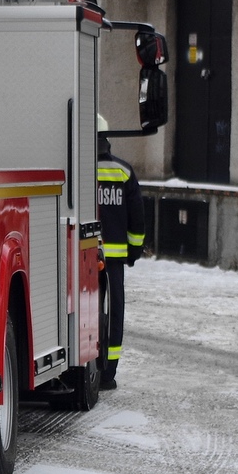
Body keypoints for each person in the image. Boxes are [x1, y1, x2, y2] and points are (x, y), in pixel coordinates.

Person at [96, 116, 145, 390]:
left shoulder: (79, 170)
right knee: (114, 313)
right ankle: (108, 373)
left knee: (86, 310)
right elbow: (137, 218)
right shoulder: (123, 172)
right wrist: (134, 251)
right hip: (114, 262)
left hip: (83, 258)